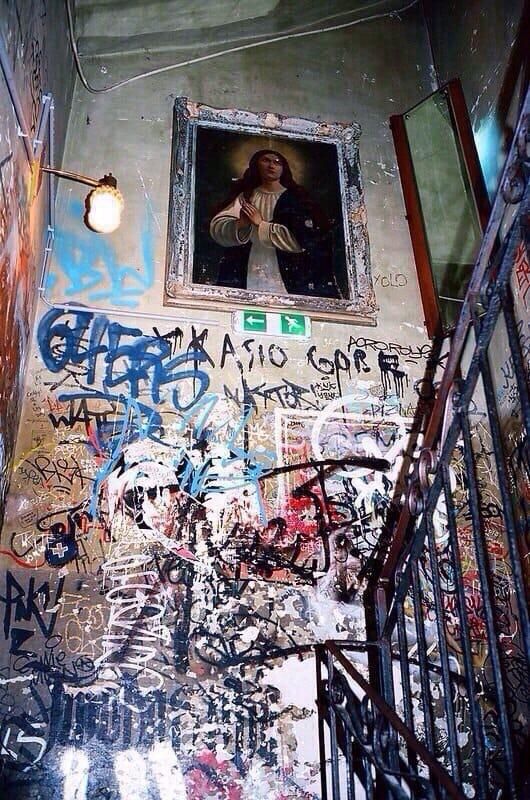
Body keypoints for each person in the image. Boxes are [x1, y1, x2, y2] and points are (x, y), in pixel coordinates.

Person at [209, 149, 341, 297]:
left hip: (288, 267)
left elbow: (304, 240)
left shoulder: (296, 199)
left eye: (277, 162)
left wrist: (261, 224)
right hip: (249, 262)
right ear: (256, 165)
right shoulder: (245, 197)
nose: (271, 165)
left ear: (283, 168)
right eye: (266, 160)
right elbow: (218, 227)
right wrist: (240, 224)